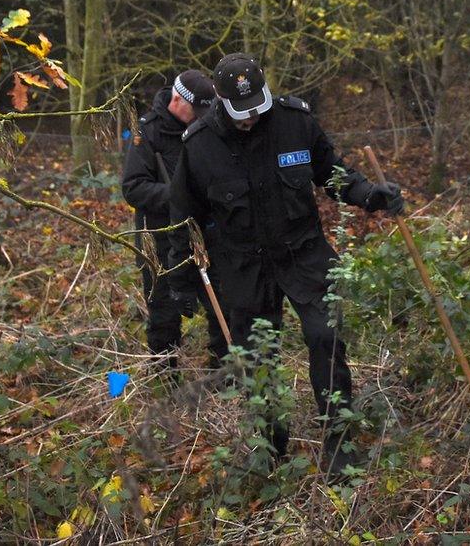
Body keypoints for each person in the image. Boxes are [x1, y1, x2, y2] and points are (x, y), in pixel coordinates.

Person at [167, 52, 403, 475]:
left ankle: (338, 440)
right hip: (243, 265)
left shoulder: (296, 122)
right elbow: (184, 220)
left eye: (256, 106)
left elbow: (332, 172)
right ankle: (269, 446)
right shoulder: (200, 146)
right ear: (219, 99)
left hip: (303, 252)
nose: (251, 118)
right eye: (241, 112)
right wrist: (182, 280)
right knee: (258, 357)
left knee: (325, 337)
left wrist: (370, 194)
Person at [121, 69, 229, 371]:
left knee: (222, 306)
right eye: (195, 110)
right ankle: (165, 383)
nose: (199, 116)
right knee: (163, 316)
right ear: (177, 100)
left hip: (206, 235)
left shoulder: (205, 126)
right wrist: (180, 195)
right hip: (160, 238)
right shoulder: (146, 133)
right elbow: (133, 188)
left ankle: (224, 377)